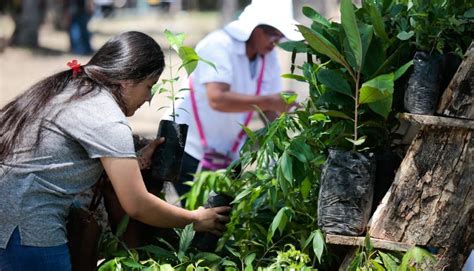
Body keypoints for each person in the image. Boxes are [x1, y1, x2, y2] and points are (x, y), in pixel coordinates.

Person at [0, 31, 230, 270]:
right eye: (148, 86)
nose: (149, 97)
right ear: (127, 79)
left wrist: (136, 159)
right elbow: (137, 205)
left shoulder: (75, 87)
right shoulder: (106, 116)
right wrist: (196, 220)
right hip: (26, 225)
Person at [168, 0, 303, 200]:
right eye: (272, 34)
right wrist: (271, 101)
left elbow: (268, 109)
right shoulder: (219, 45)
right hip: (186, 142)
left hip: (228, 150)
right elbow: (218, 98)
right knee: (196, 217)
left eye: (280, 36)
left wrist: (286, 142)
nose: (276, 41)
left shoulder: (269, 58)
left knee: (223, 217)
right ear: (254, 29)